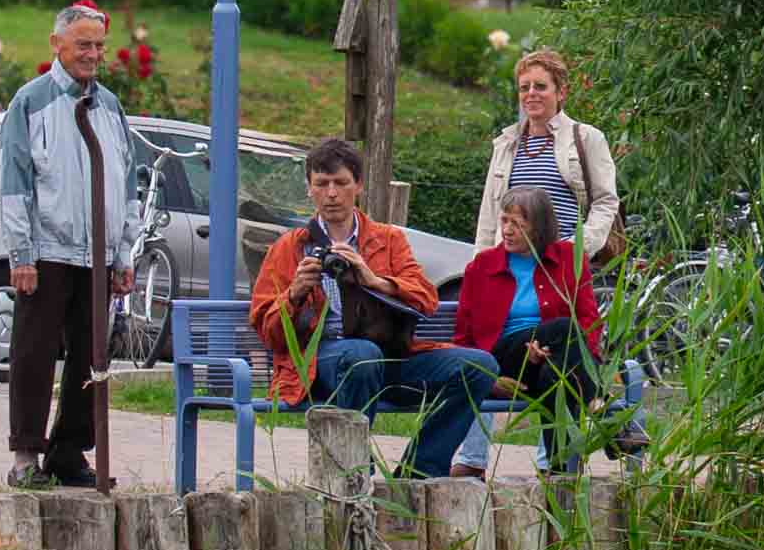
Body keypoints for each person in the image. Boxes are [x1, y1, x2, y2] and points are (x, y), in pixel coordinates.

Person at [247, 137, 498, 479]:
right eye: (321, 184)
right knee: (361, 355)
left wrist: (374, 280)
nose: (331, 193)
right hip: (321, 365)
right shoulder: (291, 246)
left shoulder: (387, 239)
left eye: (341, 183)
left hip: (388, 357)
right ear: (309, 188)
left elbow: (426, 299)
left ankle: (419, 472)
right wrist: (294, 294)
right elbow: (268, 333)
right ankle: (353, 472)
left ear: (359, 185)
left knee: (479, 366)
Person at [452, 47, 645, 475]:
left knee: (559, 351)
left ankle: (555, 468)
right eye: (524, 87)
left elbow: (606, 201)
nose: (531, 94)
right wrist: (483, 262)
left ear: (561, 91)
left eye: (540, 86)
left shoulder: (584, 138)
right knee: (559, 340)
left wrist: (577, 249)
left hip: (558, 263)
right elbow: (490, 210)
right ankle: (596, 423)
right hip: (508, 264)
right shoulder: (507, 143)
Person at [0, 1, 140, 490]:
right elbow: (15, 182)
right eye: (83, 45)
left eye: (99, 46)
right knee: (34, 354)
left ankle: (69, 452)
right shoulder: (31, 102)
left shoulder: (110, 106)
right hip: (48, 252)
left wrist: (123, 252)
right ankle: (25, 457)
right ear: (57, 44)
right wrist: (22, 254)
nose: (93, 54)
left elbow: (125, 181)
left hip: (98, 254)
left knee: (91, 357)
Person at [452, 186, 604, 475]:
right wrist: (487, 377)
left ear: (539, 228)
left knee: (555, 374)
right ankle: (599, 405)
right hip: (503, 360)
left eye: (518, 224)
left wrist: (549, 352)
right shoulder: (482, 265)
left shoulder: (569, 258)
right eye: (504, 220)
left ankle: (558, 472)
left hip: (553, 358)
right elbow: (464, 336)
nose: (507, 230)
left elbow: (590, 320)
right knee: (564, 327)